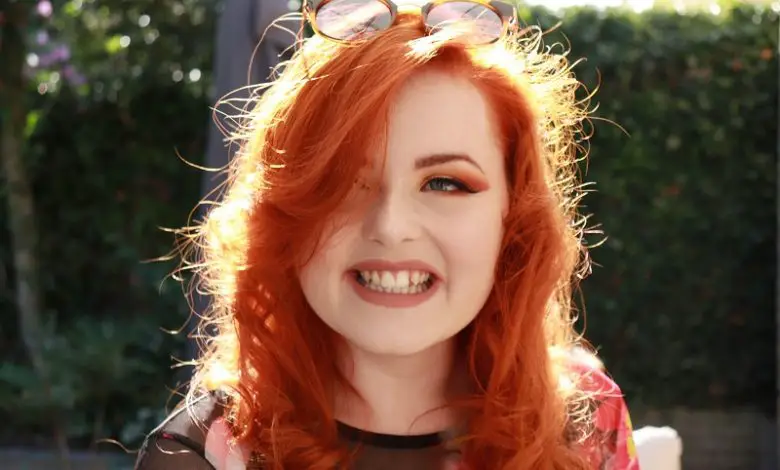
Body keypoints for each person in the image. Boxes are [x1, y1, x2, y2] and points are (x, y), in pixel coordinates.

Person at [135, 1, 640, 469]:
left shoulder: (584, 420)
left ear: (514, 218)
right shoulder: (201, 458)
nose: (391, 226)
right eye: (342, 181)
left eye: (445, 183)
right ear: (284, 213)